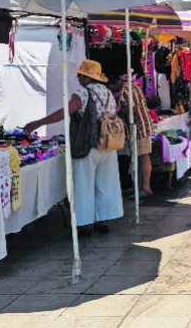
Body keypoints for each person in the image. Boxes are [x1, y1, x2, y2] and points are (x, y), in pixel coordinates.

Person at [24, 59, 123, 236]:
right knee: (105, 183)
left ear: (87, 78)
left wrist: (39, 123)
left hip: (87, 145)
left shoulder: (83, 93)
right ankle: (103, 220)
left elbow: (65, 112)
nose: (78, 77)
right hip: (108, 144)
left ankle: (84, 224)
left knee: (83, 183)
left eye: (81, 74)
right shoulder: (108, 93)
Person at [107, 75, 154, 200]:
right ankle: (140, 186)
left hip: (139, 127)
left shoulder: (127, 89)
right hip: (135, 128)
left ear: (117, 82)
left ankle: (146, 188)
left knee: (143, 156)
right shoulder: (129, 86)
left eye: (111, 86)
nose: (110, 89)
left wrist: (117, 113)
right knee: (138, 157)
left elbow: (132, 108)